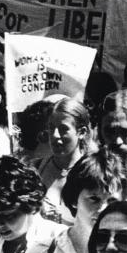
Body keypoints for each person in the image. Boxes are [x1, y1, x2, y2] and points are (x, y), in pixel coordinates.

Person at [34, 96, 91, 225]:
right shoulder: (36, 169)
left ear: (81, 132)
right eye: (51, 127)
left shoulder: (93, 173)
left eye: (63, 129)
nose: (55, 135)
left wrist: (63, 218)